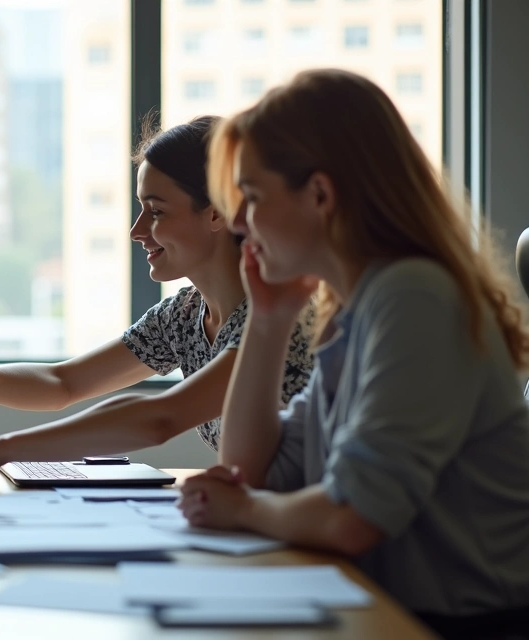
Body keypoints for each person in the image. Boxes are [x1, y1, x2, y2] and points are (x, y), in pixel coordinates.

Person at [177, 69, 529, 638]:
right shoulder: (359, 309)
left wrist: (239, 510)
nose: (240, 224)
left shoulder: (414, 296)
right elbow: (253, 471)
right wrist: (268, 320)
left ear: (320, 195)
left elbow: (352, 518)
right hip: (396, 612)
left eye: (254, 197)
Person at [0, 116, 315, 489]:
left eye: (156, 211)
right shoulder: (183, 315)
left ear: (218, 212)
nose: (137, 230)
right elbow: (63, 382)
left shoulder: (276, 312)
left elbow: (159, 418)